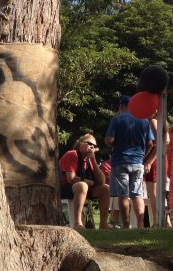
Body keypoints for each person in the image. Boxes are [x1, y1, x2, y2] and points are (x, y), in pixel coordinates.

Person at [105, 95, 155, 228]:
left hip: (120, 161)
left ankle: (126, 224)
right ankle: (140, 224)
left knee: (123, 194)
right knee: (137, 194)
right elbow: (150, 143)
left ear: (121, 106)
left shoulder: (117, 119)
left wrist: (112, 143)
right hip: (138, 162)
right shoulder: (144, 121)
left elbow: (109, 140)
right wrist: (142, 156)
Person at [59, 134, 110, 229]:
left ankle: (103, 224)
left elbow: (101, 181)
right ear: (80, 143)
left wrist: (94, 160)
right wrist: (88, 181)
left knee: (106, 188)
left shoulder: (89, 160)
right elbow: (71, 178)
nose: (92, 147)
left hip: (83, 189)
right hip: (65, 188)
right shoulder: (72, 154)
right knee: (82, 185)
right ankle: (78, 223)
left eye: (94, 146)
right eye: (89, 143)